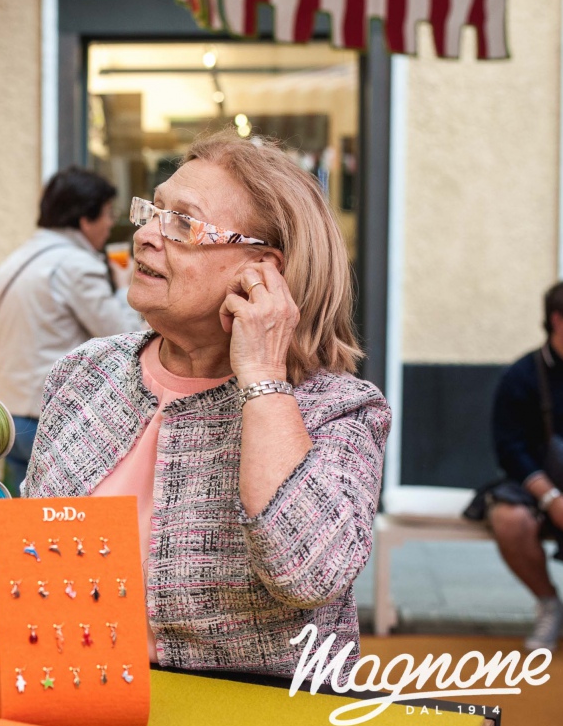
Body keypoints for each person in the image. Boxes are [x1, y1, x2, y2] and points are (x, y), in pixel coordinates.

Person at [23, 132, 390, 679]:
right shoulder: (86, 373)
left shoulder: (339, 410)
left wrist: (262, 375)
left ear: (263, 269)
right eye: (152, 211)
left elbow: (309, 574)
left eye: (182, 223)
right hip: (71, 694)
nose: (145, 236)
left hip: (250, 714)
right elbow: (32, 562)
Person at [0, 167, 142, 492]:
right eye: (108, 214)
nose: (110, 223)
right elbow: (123, 336)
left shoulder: (13, 261)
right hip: (52, 418)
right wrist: (125, 286)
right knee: (63, 516)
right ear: (85, 220)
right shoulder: (77, 266)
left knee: (25, 516)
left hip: (7, 417)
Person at [474, 281, 563, 650]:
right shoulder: (523, 375)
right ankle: (550, 604)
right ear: (557, 320)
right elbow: (510, 450)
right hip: (540, 481)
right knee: (508, 518)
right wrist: (552, 500)